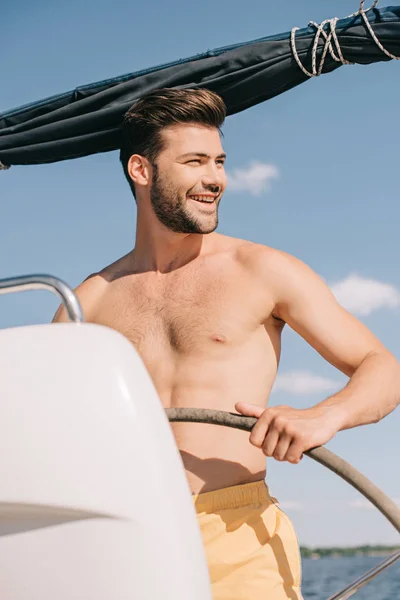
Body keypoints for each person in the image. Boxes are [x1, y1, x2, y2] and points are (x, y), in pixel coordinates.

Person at [53, 88, 400, 600]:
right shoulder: (85, 303)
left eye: (219, 162)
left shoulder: (262, 270)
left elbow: (382, 367)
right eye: (195, 162)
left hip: (237, 533)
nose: (216, 179)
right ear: (141, 171)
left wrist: (324, 415)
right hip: (121, 536)